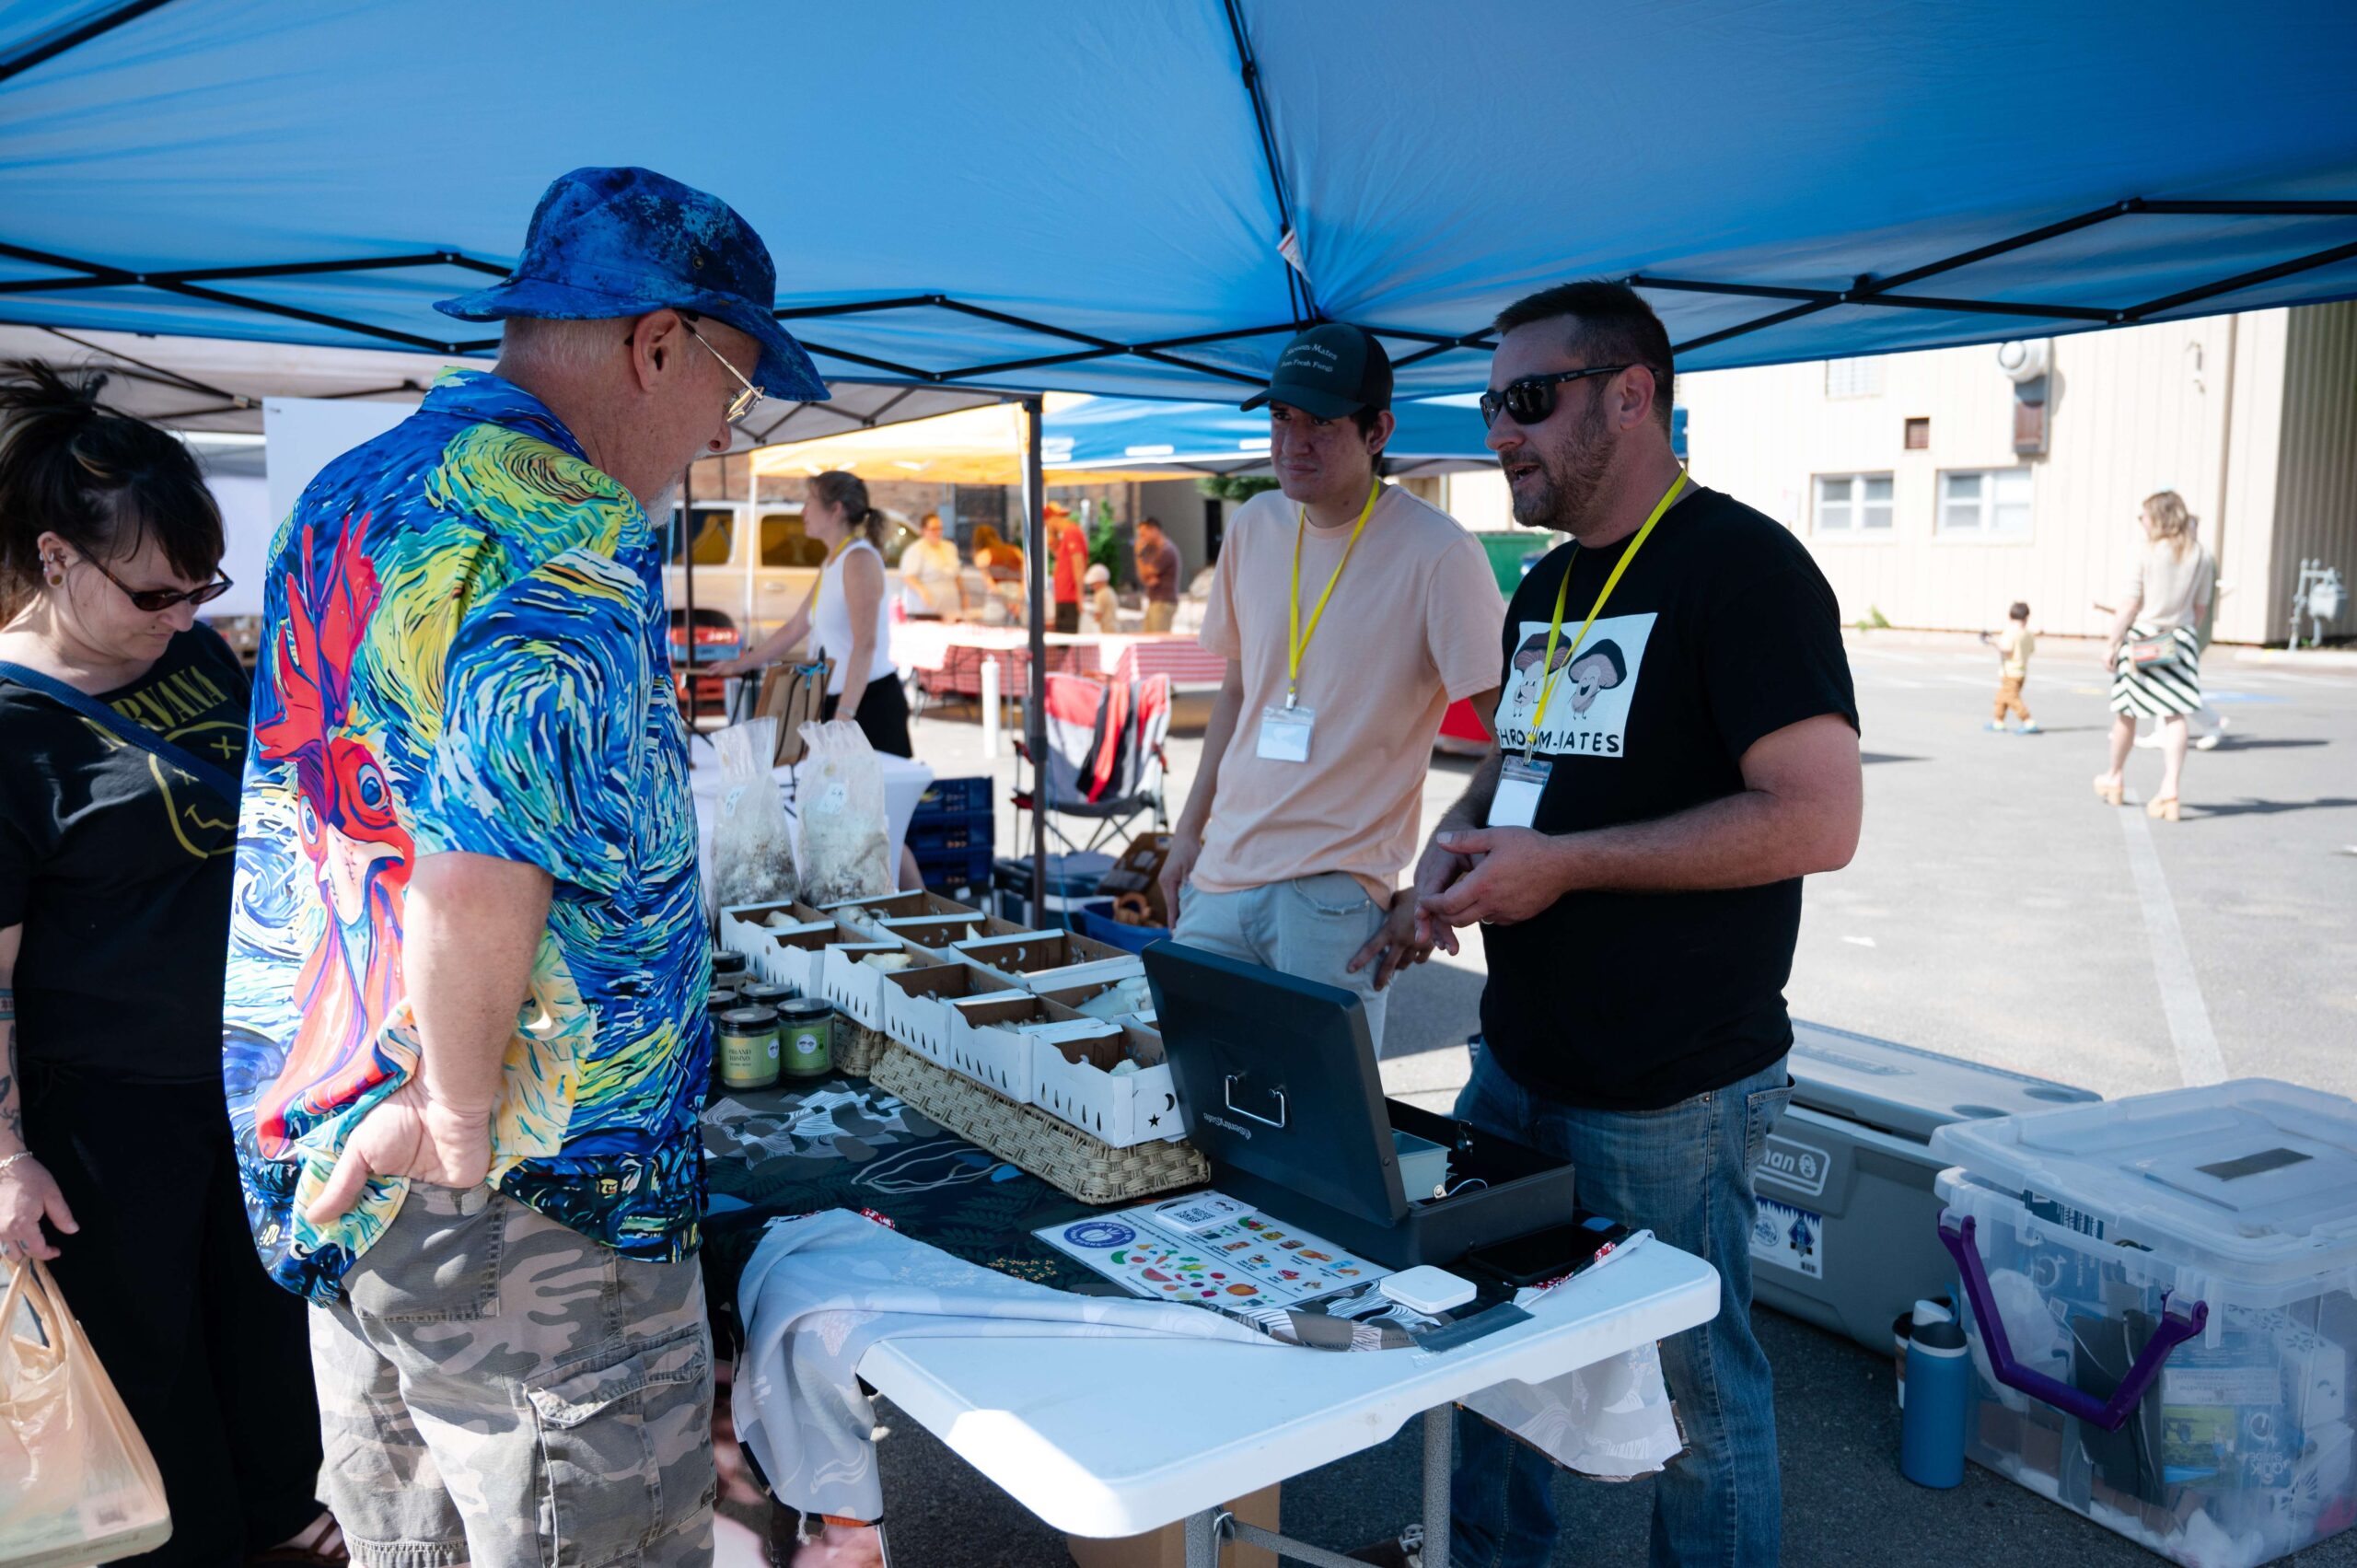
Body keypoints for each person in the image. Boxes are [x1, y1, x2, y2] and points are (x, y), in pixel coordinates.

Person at [218, 167, 883, 1568]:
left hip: (348, 1140)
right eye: (734, 388)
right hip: (520, 1180)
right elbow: (480, 853)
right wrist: (458, 1113)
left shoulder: (356, 490)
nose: (721, 427)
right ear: (659, 344)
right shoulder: (563, 525)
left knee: (412, 1531)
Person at [1394, 282, 1861, 1568]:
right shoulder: (1546, 582)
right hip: (1516, 1054)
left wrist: (1568, 868)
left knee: (1697, 1402)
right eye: (1492, 403)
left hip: (1670, 1084)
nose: (1500, 430)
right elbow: (1523, 764)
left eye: (1528, 400)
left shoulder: (1745, 566)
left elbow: (1818, 817)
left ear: (1631, 394)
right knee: (1485, 1354)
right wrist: (1444, 861)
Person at [0, 363, 344, 1568]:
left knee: (266, 1342)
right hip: (106, 1113)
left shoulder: (189, 652)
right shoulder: (13, 729)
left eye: (204, 585)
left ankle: (286, 1525)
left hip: (251, 1082)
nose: (182, 611)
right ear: (54, 557)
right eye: (155, 588)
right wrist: (5, 1155)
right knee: (154, 1373)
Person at [1158, 323, 1504, 1051]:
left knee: (1320, 1139)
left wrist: (1440, 882)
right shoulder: (1253, 524)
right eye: (1282, 417)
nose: (1292, 443)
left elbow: (1520, 738)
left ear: (1378, 430)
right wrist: (1188, 832)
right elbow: (1236, 694)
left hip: (1333, 898)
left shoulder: (1440, 552)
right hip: (1219, 879)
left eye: (1320, 422)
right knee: (1190, 1112)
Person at [714, 469, 911, 758]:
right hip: (841, 703)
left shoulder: (859, 559)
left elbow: (865, 645)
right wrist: (742, 664)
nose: (803, 511)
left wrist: (844, 717)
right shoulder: (833, 561)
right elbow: (796, 626)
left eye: (810, 502)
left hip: (869, 706)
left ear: (836, 510)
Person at [2093, 489, 2214, 821]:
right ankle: (2170, 789)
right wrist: (2185, 635)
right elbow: (2201, 607)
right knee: (2175, 715)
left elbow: (2131, 602)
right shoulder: (2200, 555)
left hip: (2144, 640)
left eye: (2144, 515)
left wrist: (2112, 643)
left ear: (2158, 517)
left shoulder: (2144, 552)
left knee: (2126, 712)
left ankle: (2114, 776)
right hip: (2180, 639)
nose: (2142, 522)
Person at [1981, 599, 2039, 733]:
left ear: (2010, 616)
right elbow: (2031, 650)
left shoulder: (2010, 632)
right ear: (2026, 617)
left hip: (2010, 671)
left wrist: (1992, 642)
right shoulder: (2028, 634)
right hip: (2021, 671)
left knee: (2012, 698)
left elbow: (2006, 649)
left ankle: (2028, 721)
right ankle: (1998, 721)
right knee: (2001, 698)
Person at [899, 510, 965, 620]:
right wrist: (922, 592)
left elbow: (957, 575)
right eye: (933, 529)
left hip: (950, 605)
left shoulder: (950, 547)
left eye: (940, 528)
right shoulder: (916, 550)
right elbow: (908, 577)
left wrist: (964, 595)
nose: (938, 532)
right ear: (924, 530)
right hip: (926, 608)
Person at [1134, 515, 1182, 633]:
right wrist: (1147, 574)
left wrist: (1138, 555)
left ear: (1154, 530)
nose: (1142, 538)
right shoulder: (1152, 550)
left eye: (1143, 534)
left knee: (1158, 640)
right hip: (1154, 601)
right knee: (1148, 639)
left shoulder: (1166, 550)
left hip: (1163, 602)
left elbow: (1148, 571)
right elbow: (1144, 577)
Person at [1048, 501, 1087, 634]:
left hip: (1069, 597)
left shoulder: (1071, 532)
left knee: (1066, 641)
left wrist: (1079, 595)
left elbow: (1078, 564)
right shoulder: (1067, 535)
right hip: (1064, 596)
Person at [1084, 561, 1121, 632]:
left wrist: (1092, 625)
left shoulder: (1100, 594)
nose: (1092, 587)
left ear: (1100, 581)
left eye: (1093, 584)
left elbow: (1098, 614)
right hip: (1115, 627)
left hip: (1106, 629)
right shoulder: (1110, 591)